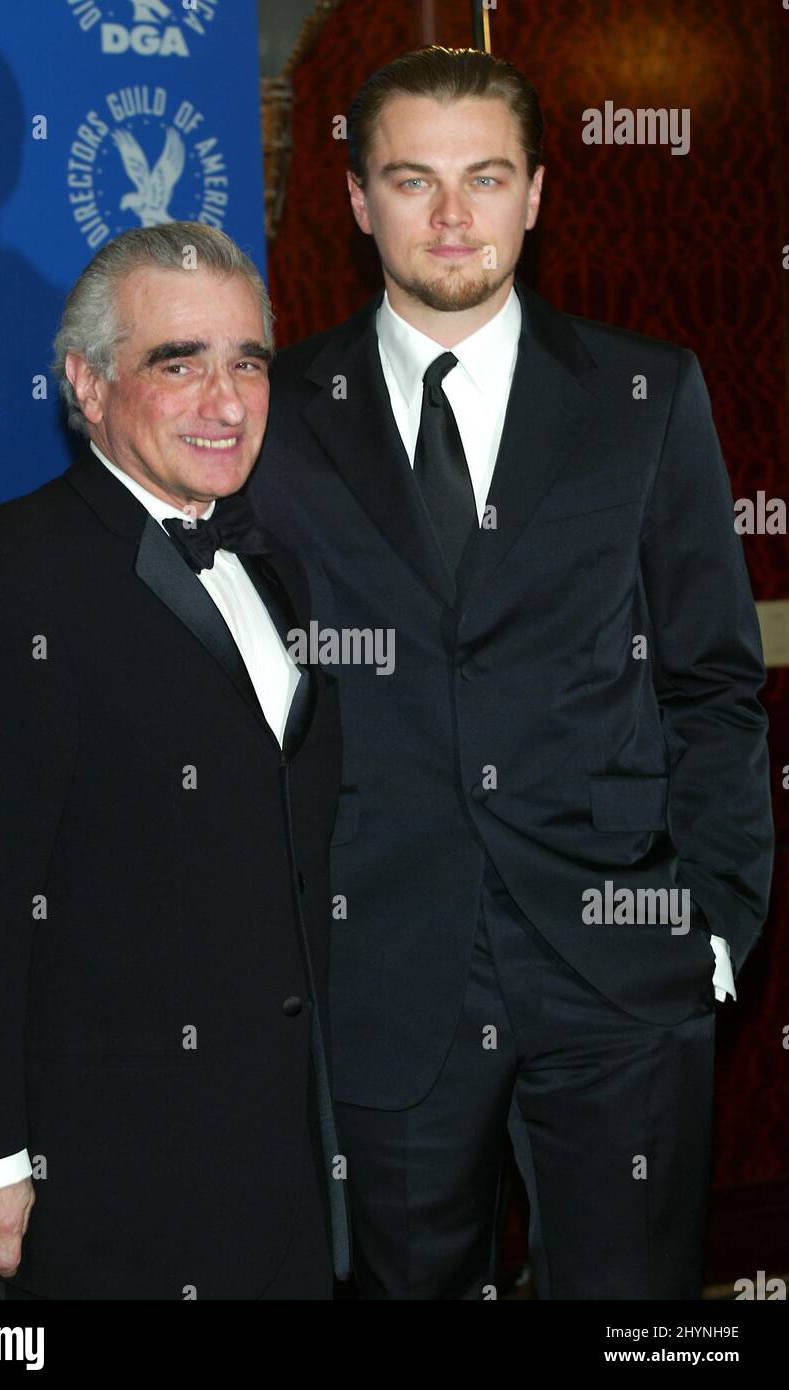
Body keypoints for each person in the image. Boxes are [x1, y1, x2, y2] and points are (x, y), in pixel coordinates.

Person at [247, 46, 774, 1299]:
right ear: (356, 199)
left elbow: (710, 679)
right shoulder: (276, 412)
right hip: (377, 964)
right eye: (410, 178)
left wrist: (713, 926)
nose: (448, 215)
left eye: (482, 177)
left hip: (618, 959)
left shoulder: (644, 396)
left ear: (534, 193)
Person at [0, 222, 350, 1300]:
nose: (226, 399)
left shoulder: (270, 564)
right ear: (87, 387)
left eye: (247, 361)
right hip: (96, 1172)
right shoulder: (12, 581)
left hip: (273, 1149)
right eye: (177, 361)